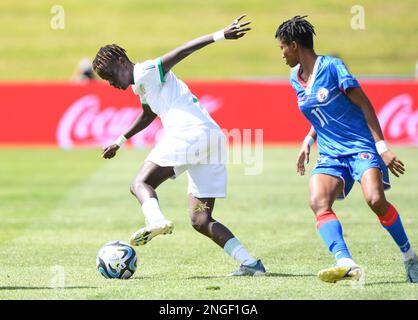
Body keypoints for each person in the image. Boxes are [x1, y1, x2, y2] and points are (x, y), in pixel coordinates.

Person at [92, 15, 265, 276]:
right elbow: (148, 115)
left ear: (121, 61)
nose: (111, 83)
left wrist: (220, 34)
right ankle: (251, 264)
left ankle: (156, 221)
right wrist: (120, 141)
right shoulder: (142, 86)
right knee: (200, 219)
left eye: (110, 75)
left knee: (140, 183)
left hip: (190, 134)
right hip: (210, 140)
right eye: (106, 80)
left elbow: (184, 50)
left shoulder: (147, 70)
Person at [275, 15, 418, 283]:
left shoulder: (332, 67)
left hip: (360, 146)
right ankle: (345, 261)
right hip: (330, 153)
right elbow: (320, 113)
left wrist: (382, 148)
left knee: (376, 200)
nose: (281, 54)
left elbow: (365, 105)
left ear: (294, 45)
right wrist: (308, 140)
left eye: (282, 47)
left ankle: (410, 256)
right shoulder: (295, 78)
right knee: (318, 202)